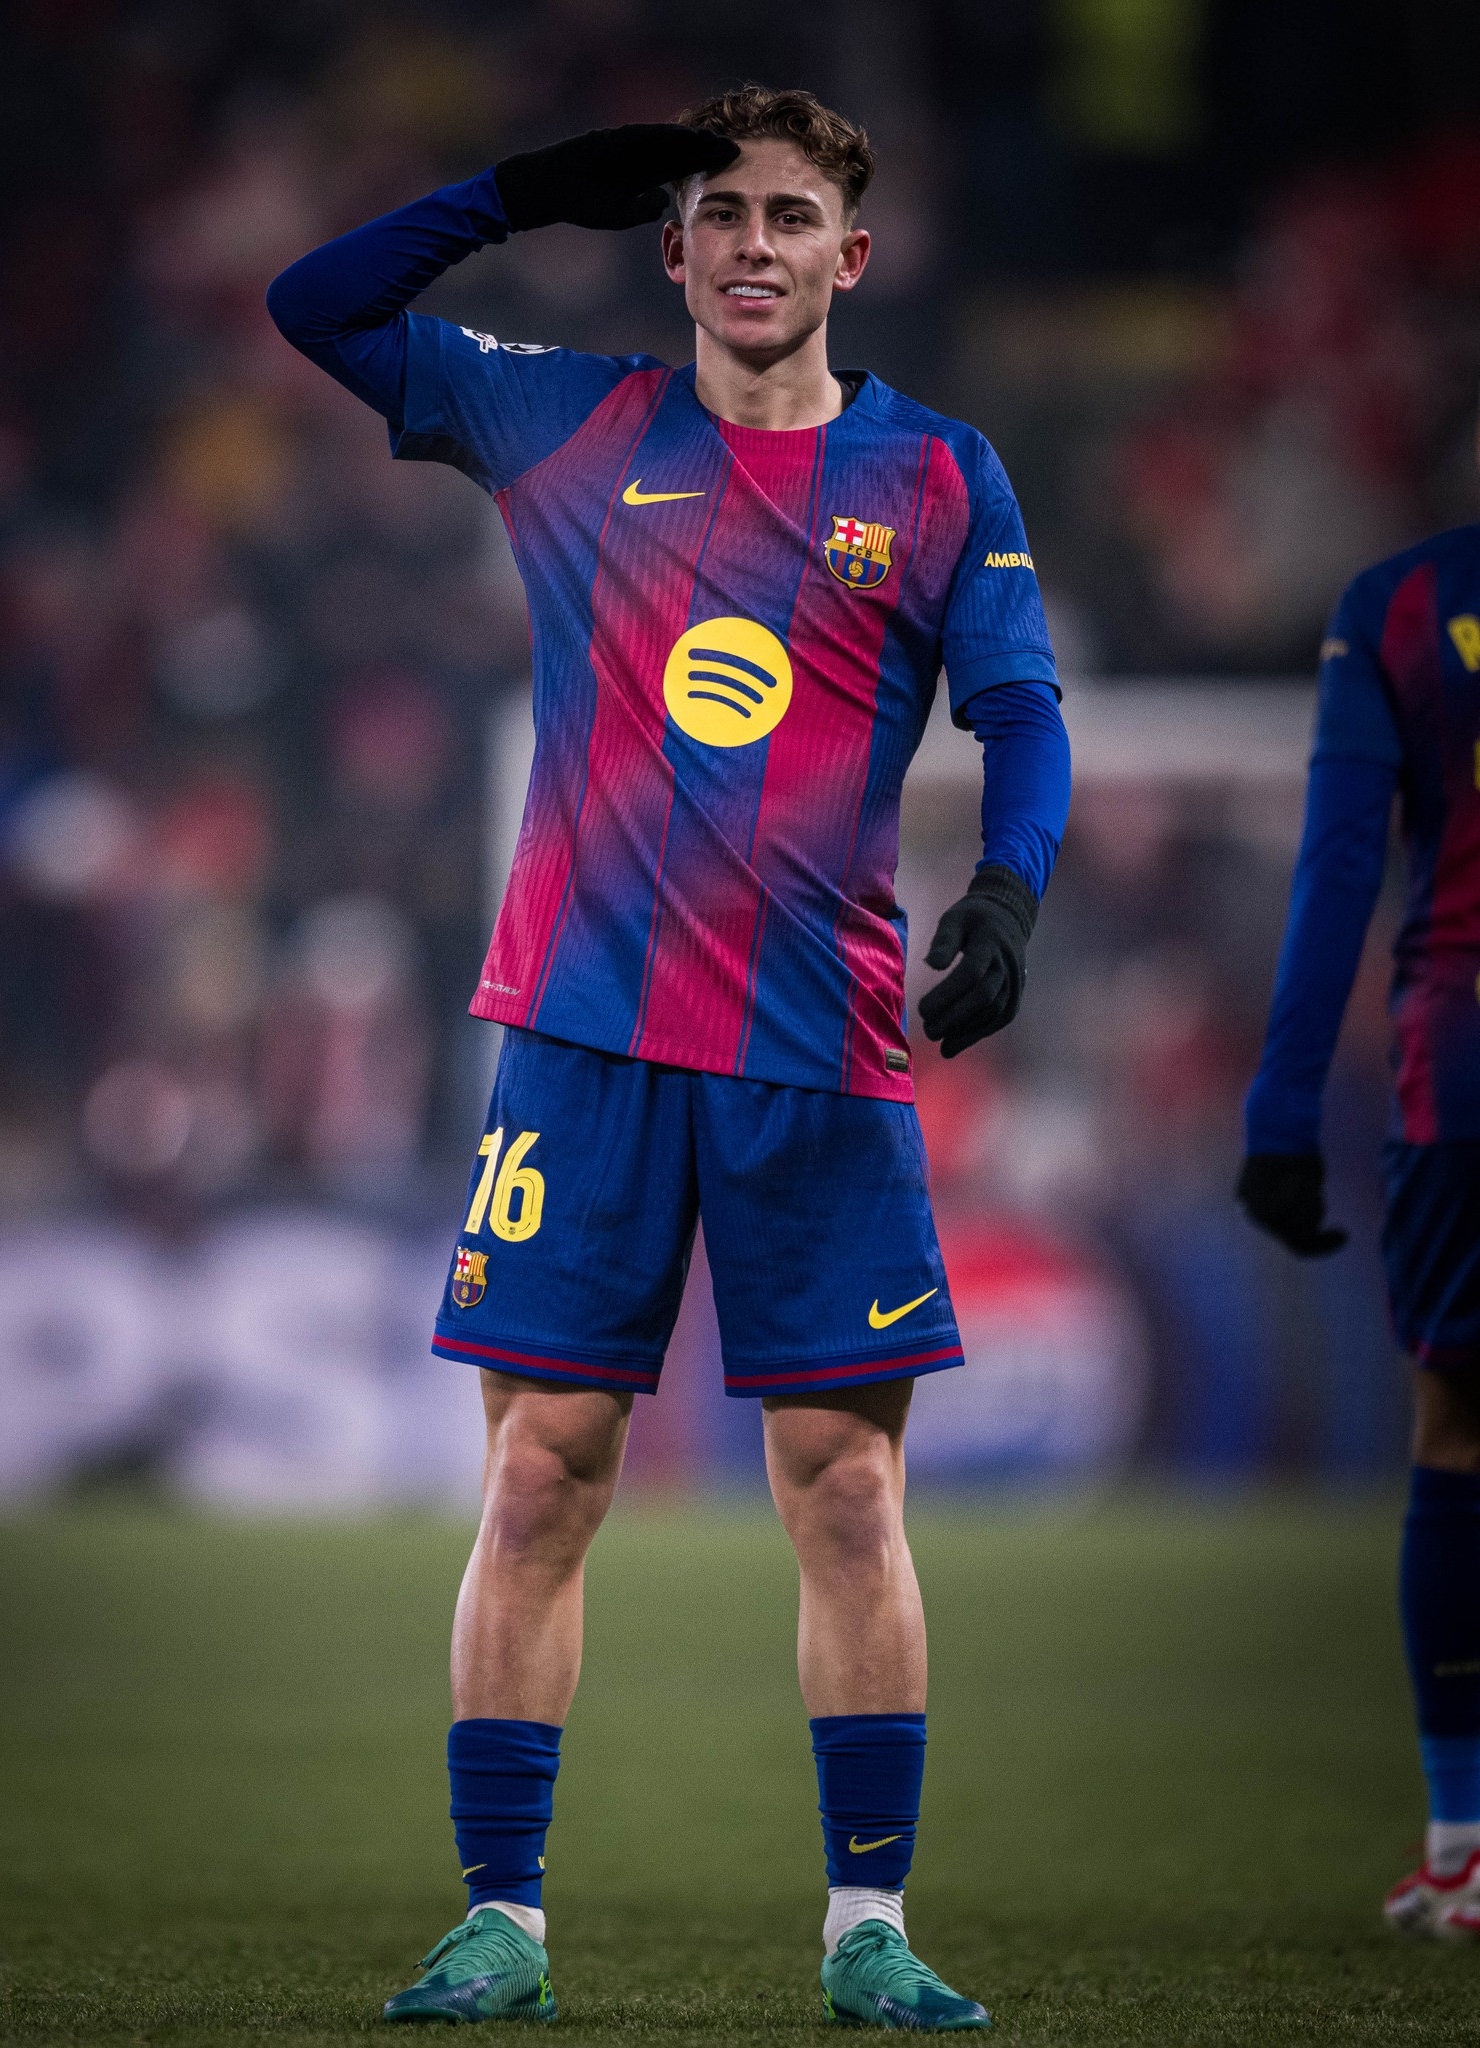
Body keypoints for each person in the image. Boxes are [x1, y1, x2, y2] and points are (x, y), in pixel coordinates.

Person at [269, 86, 1071, 2029]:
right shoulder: (570, 422)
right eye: (718, 211)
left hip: (820, 1049)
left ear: (848, 257)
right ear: (671, 245)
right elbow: (316, 303)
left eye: (788, 215)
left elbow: (1024, 715)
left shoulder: (938, 473)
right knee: (540, 1477)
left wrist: (1006, 895)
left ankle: (867, 1925)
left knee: (847, 1493)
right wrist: (516, 192)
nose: (751, 243)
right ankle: (501, 1921)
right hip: (584, 1035)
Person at [1238, 428, 1480, 1940]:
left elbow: (1339, 869)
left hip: (1464, 1075)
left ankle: (1465, 1846)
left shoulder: (1402, 604)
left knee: (1456, 1431)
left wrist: (1279, 1109)